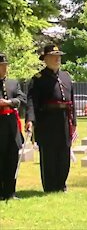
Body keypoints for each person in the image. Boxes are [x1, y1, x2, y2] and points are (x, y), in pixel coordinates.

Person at [25, 45, 77, 193]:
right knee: (49, 155)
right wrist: (30, 120)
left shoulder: (66, 76)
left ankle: (62, 184)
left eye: (59, 56)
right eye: (53, 56)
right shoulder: (38, 79)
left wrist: (74, 121)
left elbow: (71, 101)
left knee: (64, 154)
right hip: (47, 121)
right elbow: (31, 102)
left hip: (64, 121)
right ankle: (50, 186)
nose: (57, 59)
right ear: (45, 59)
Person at [0, 53, 26, 200]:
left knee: (11, 159)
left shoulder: (13, 83)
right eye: (1, 66)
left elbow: (21, 98)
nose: (3, 69)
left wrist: (9, 102)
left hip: (11, 126)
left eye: (5, 66)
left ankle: (11, 192)